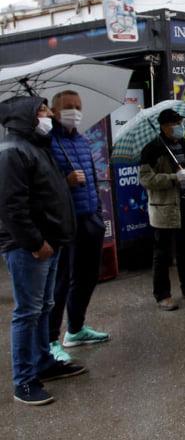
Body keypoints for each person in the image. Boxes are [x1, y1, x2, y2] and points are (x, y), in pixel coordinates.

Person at [0, 96, 85, 406]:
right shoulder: (12, 152)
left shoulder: (38, 146)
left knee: (44, 306)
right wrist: (36, 243)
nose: (49, 115)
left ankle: (43, 362)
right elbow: (11, 207)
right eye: (42, 110)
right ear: (24, 116)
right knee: (27, 312)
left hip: (50, 243)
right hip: (30, 248)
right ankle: (23, 380)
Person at [47, 90, 110, 364]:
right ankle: (50, 339)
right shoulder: (47, 143)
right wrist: (65, 180)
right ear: (53, 111)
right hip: (63, 223)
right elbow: (42, 186)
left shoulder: (83, 142)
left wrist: (97, 213)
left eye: (77, 107)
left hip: (89, 221)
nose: (74, 112)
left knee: (87, 277)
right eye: (68, 107)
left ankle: (75, 328)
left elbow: (94, 181)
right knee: (59, 283)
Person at [139, 108, 185, 311]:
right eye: (176, 124)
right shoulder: (152, 150)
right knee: (162, 254)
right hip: (165, 211)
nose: (181, 127)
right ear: (164, 126)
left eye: (181, 123)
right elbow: (146, 179)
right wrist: (173, 178)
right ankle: (162, 295)